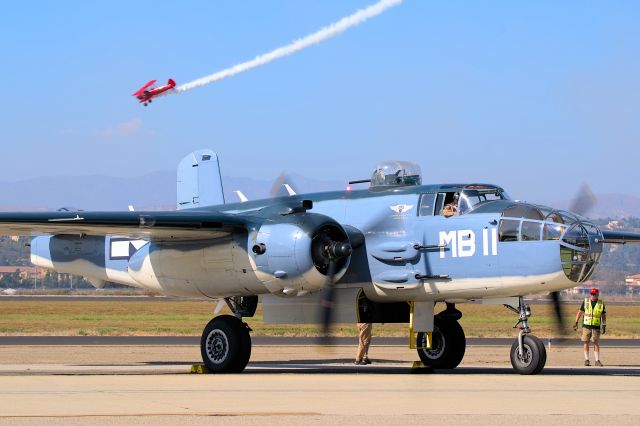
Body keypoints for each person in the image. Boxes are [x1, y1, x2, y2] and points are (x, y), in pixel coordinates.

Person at [573, 287, 607, 366]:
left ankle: (597, 360)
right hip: (586, 325)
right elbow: (580, 312)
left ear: (597, 295)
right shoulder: (586, 301)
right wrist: (576, 322)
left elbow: (603, 315)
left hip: (596, 326)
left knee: (596, 343)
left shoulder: (601, 303)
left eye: (594, 294)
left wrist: (604, 325)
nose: (593, 295)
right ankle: (586, 360)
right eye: (592, 294)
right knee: (586, 342)